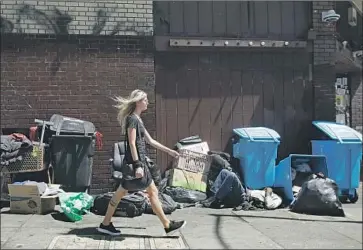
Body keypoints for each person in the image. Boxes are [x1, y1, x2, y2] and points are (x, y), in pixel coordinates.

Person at [97, 89, 186, 236]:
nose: (147, 102)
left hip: (136, 163)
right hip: (136, 164)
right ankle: (167, 225)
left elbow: (151, 141)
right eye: (145, 100)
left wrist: (169, 151)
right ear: (138, 102)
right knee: (151, 192)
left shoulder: (138, 119)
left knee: (124, 193)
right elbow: (132, 143)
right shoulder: (132, 119)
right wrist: (138, 165)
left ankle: (105, 224)